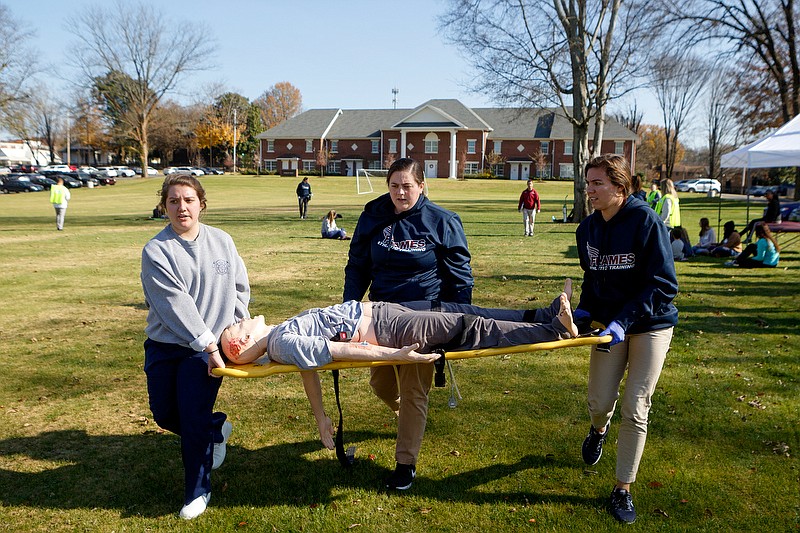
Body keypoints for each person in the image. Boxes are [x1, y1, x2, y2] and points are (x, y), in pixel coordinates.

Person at [220, 284, 578, 451]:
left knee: (471, 316)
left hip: (386, 312)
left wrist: (321, 418)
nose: (239, 320)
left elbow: (308, 368)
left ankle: (548, 316)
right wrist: (396, 357)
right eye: (233, 327)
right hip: (391, 330)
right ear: (240, 345)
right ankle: (555, 329)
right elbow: (336, 349)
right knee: (472, 329)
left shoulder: (280, 339)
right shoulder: (281, 342)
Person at [343, 157, 473, 491]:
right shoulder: (373, 214)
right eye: (394, 186)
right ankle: (408, 419)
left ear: (422, 185)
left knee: (415, 390)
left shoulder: (441, 221)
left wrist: (455, 322)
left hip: (423, 317)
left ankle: (405, 464)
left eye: (408, 186)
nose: (400, 193)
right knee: (382, 385)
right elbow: (357, 264)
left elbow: (459, 277)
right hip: (380, 316)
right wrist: (349, 307)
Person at [575, 154, 678, 524]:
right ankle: (598, 429)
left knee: (636, 405)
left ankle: (622, 489)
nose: (590, 190)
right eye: (588, 183)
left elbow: (664, 284)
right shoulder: (587, 228)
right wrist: (585, 310)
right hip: (608, 325)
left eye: (597, 184)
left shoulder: (645, 222)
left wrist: (625, 320)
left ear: (620, 187)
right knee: (600, 400)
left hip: (651, 323)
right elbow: (592, 277)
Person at [141, 174, 251, 520]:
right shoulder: (157, 250)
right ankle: (216, 427)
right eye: (173, 201)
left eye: (188, 199)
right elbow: (175, 306)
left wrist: (238, 330)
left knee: (190, 419)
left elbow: (239, 288)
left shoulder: (222, 241)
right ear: (164, 207)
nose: (181, 207)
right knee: (164, 414)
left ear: (201, 203)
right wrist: (207, 344)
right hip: (165, 345)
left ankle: (197, 491)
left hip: (205, 351)